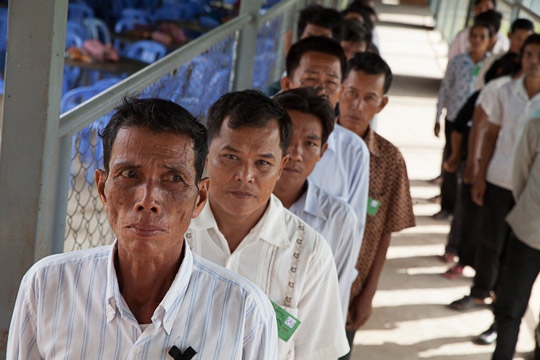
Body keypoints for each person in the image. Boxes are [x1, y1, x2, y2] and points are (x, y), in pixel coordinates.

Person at [7, 97, 278, 359]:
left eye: (174, 179)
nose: (148, 201)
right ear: (102, 188)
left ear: (200, 198)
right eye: (129, 174)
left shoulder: (246, 313)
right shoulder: (46, 286)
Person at [187, 90, 349, 359]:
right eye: (230, 157)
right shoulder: (170, 231)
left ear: (281, 166)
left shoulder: (310, 252)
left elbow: (318, 353)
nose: (245, 176)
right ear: (205, 155)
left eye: (262, 162)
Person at [450, 33, 540, 313]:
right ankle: (479, 293)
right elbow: (491, 136)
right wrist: (480, 174)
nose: (534, 62)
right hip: (499, 178)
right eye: (529, 55)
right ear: (520, 57)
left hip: (530, 191)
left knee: (516, 253)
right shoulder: (505, 91)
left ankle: (500, 307)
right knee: (490, 240)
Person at [337, 52, 415, 359]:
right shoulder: (310, 145)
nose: (357, 105)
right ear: (339, 90)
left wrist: (367, 294)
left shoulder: (390, 160)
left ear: (381, 104)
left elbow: (385, 232)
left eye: (369, 98)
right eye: (352, 93)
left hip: (350, 291)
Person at [273, 87, 361, 323]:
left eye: (310, 143)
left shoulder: (339, 219)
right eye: (286, 139)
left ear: (323, 151)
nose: (295, 153)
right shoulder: (239, 204)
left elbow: (335, 297)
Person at [280, 36, 370, 248]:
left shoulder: (354, 151)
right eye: (309, 80)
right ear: (287, 84)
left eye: (331, 83)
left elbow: (353, 230)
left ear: (340, 91)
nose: (320, 91)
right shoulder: (263, 139)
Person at [491, 116, 540, 359]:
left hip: (530, 226)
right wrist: (530, 212)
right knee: (511, 306)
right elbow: (520, 176)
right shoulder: (535, 127)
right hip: (529, 232)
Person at [434, 21, 492, 220]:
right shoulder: (458, 61)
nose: (476, 40)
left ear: (490, 40)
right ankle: (447, 206)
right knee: (451, 162)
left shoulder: (492, 66)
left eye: (482, 37)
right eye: (473, 36)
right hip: (454, 119)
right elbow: (445, 89)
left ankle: (461, 212)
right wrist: (437, 116)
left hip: (478, 123)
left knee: (471, 165)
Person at [474, 18, 534, 90]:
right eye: (519, 39)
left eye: (526, 40)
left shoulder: (531, 68)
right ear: (509, 35)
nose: (522, 44)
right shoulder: (493, 60)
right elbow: (479, 86)